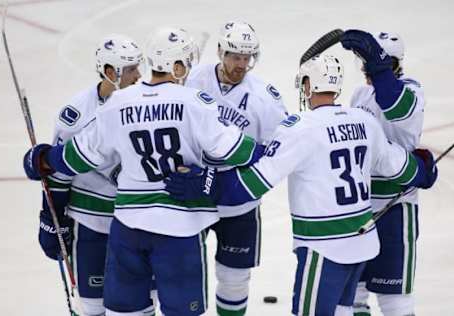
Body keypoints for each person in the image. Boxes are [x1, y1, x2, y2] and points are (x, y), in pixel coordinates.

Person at [164, 54, 438, 315]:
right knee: (344, 310)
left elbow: (251, 185)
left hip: (324, 246)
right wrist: (424, 170)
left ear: (307, 85)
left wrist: (206, 184)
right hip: (362, 242)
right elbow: (400, 167)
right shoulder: (364, 121)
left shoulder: (300, 128)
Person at [23, 26, 265, 316]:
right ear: (176, 66)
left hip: (129, 228)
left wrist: (44, 159)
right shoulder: (194, 102)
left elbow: (78, 156)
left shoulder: (118, 104)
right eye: (186, 61)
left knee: (126, 311)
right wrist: (266, 152)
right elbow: (239, 151)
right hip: (180, 226)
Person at [37, 34, 147, 316]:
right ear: (110, 72)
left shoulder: (146, 102)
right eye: (132, 69)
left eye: (138, 66)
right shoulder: (76, 114)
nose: (139, 75)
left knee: (140, 304)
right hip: (91, 223)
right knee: (92, 306)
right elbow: (59, 174)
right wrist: (52, 220)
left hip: (138, 223)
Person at [185, 21, 288, 316]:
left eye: (248, 58)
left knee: (234, 280)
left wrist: (240, 183)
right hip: (193, 195)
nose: (241, 64)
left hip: (240, 201)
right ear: (220, 51)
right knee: (186, 274)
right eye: (235, 57)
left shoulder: (266, 98)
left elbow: (278, 151)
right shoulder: (192, 81)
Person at [340, 30, 427, 316]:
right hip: (359, 207)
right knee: (354, 296)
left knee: (396, 303)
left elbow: (393, 103)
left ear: (394, 64)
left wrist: (378, 66)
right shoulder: (359, 94)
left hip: (396, 208)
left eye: (373, 62)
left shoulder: (412, 89)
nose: (366, 69)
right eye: (364, 62)